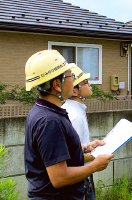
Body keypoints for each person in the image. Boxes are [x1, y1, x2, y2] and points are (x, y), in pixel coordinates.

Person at [24, 50, 114, 200]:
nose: (73, 81)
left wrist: (85, 148)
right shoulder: (50, 121)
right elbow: (59, 177)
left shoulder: (43, 112)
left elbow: (56, 156)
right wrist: (95, 166)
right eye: (70, 76)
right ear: (57, 84)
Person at [62, 66, 96, 200]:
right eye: (85, 82)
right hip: (78, 178)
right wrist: (98, 156)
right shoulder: (74, 115)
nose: (90, 84)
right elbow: (73, 156)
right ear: (75, 90)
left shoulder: (74, 109)